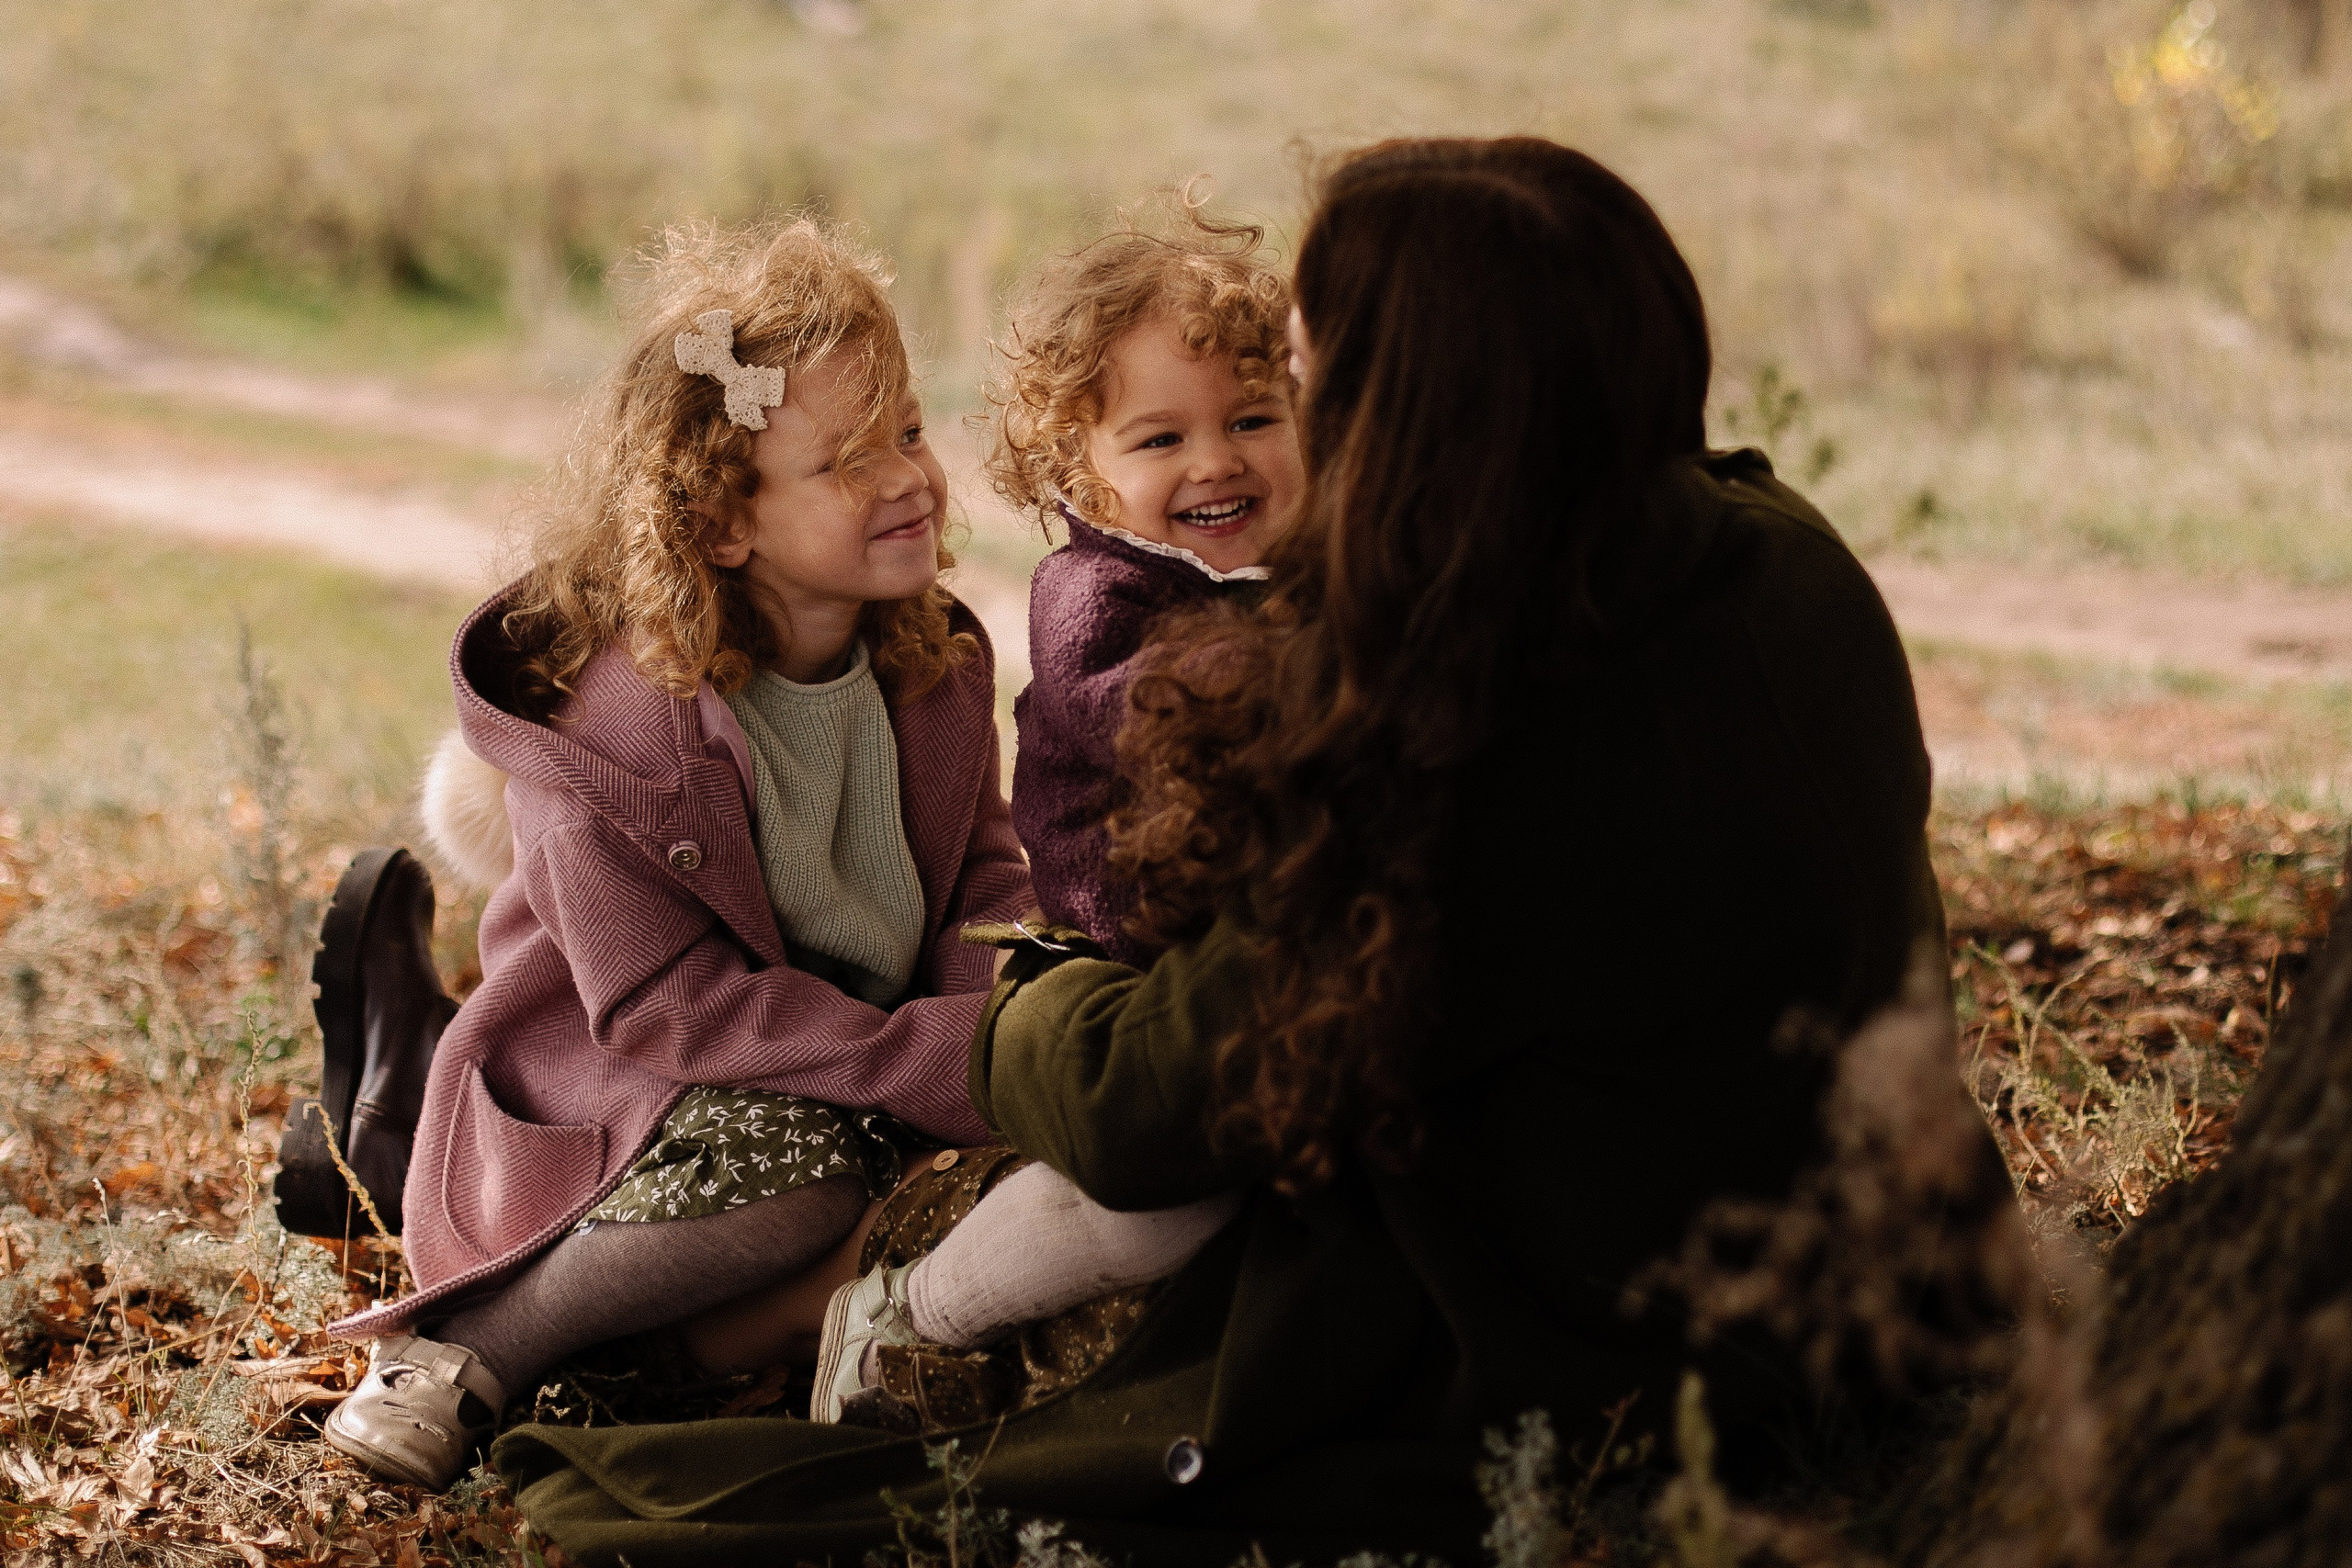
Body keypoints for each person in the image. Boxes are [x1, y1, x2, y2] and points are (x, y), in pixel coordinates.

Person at [490, 139, 2015, 1566]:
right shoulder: (1778, 552)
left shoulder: (1479, 721)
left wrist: (1018, 1014)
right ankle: (493, 1179)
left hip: (1605, 1322)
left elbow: (1151, 1095)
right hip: (1862, 1247)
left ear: (1413, 408)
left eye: (1301, 377)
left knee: (1047, 1237)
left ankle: (732, 1327)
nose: (1284, 409)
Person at [320, 216, 1034, 1489]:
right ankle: (476, 1342)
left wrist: (996, 1013)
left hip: (839, 1058)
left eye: (912, 432)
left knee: (980, 1192)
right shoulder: (621, 728)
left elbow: (981, 870)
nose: (909, 480)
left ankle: (431, 1147)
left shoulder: (936, 660)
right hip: (639, 1074)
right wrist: (935, 1059)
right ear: (719, 524)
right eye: (845, 461)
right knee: (804, 1191)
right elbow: (665, 1007)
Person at [797, 212, 1303, 1423]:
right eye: (1161, 437)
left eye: (1253, 420)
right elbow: (1170, 718)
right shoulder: (1097, 595)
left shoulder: (1300, 568)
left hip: (1242, 942)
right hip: (1119, 953)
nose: (1217, 463)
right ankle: (913, 1308)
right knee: (1158, 1201)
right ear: (1082, 471)